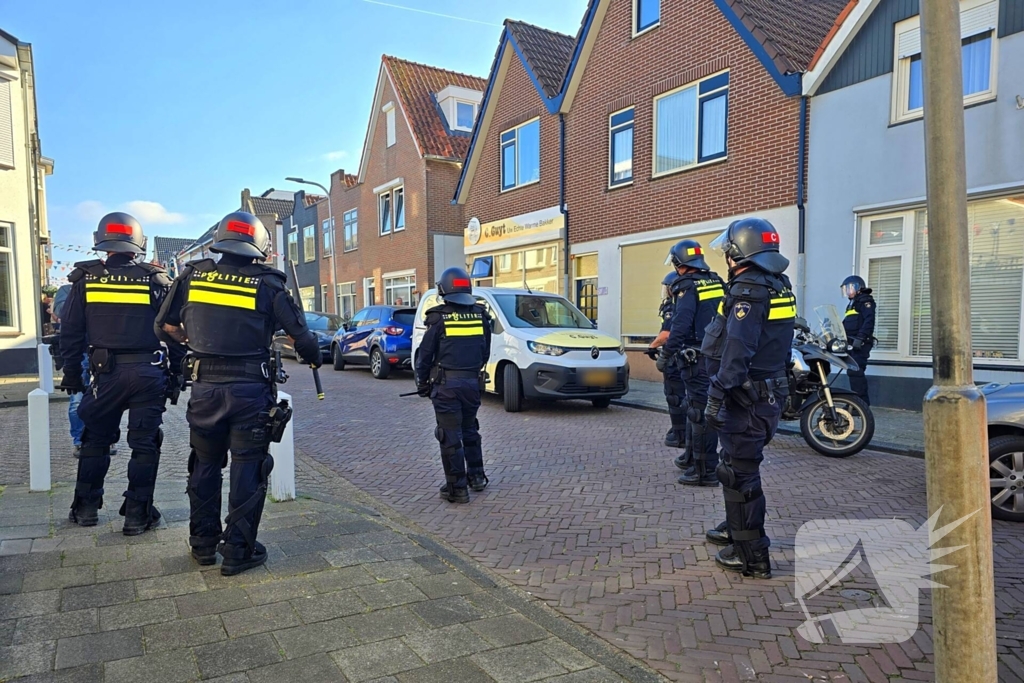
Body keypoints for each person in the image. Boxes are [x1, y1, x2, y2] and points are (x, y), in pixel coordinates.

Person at [156, 211, 321, 575]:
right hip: (250, 392)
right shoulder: (270, 284)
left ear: (220, 240)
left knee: (204, 464)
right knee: (249, 465)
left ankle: (202, 544)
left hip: (205, 389)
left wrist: (191, 343)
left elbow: (164, 325)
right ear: (259, 246)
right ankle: (238, 551)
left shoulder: (192, 275)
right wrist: (314, 357)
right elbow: (303, 339)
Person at [58, 212, 179, 534]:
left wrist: (72, 374)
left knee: (94, 439)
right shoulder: (155, 280)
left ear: (101, 241)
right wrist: (178, 373)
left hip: (105, 375)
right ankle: (137, 515)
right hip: (148, 374)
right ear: (139, 243)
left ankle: (85, 509)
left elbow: (70, 332)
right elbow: (174, 331)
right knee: (145, 443)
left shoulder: (85, 280)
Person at [701, 218, 795, 579]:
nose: (725, 257)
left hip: (746, 399)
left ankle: (751, 555)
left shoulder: (748, 289)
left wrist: (716, 394)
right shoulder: (777, 284)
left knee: (740, 476)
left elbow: (738, 350)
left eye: (728, 251)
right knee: (735, 468)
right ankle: (735, 527)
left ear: (739, 252)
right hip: (763, 395)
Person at [415, 267, 491, 504]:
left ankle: (457, 489)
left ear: (444, 290)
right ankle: (476, 477)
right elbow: (485, 351)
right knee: (470, 429)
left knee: (449, 435)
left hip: (446, 386)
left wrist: (422, 383)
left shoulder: (438, 318)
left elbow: (425, 355)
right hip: (472, 383)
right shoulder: (480, 315)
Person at [663, 240, 725, 486]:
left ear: (678, 262)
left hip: (696, 358)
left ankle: (704, 470)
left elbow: (680, 324)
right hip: (716, 356)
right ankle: (691, 456)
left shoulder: (685, 286)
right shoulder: (716, 280)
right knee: (694, 407)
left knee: (699, 413)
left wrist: (667, 354)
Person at [649, 272, 686, 456]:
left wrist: (652, 346)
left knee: (674, 396)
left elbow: (667, 334)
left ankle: (679, 434)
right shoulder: (686, 303)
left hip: (675, 358)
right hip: (689, 357)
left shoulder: (672, 306)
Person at [841, 275, 875, 405]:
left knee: (856, 372)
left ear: (858, 288)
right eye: (846, 289)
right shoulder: (852, 304)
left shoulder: (865, 301)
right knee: (853, 372)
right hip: (851, 342)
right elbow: (847, 322)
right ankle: (856, 403)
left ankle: (860, 404)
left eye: (850, 288)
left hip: (860, 343)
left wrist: (860, 338)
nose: (848, 291)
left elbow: (869, 321)